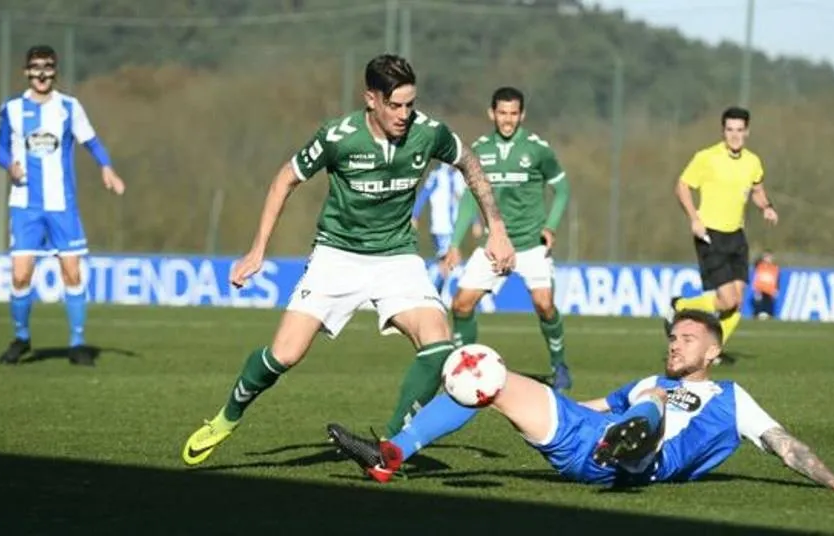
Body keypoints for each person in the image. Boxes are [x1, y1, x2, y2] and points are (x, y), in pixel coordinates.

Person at [180, 54, 516, 466]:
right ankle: (226, 418)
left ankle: (387, 450)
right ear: (370, 99)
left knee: (437, 343)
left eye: (410, 104)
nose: (405, 114)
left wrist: (496, 229)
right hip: (336, 256)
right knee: (284, 354)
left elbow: (470, 164)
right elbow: (285, 178)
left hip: (397, 257)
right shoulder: (339, 136)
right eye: (395, 105)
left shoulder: (428, 133)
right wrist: (257, 249)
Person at [327, 310, 834, 496]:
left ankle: (629, 444)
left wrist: (833, 481)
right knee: (484, 370)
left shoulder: (732, 401)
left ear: (713, 351)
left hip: (648, 460)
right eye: (672, 337)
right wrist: (541, 408)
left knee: (649, 399)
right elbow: (590, 404)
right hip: (588, 436)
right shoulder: (648, 379)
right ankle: (390, 455)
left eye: (686, 339)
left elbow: (783, 445)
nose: (675, 343)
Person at [0, 44, 126, 367]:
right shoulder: (11, 109)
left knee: (71, 271)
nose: (42, 72)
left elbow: (91, 141)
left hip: (62, 206)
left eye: (48, 66)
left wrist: (106, 167)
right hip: (25, 206)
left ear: (55, 71)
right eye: (36, 66)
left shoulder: (69, 107)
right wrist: (8, 164)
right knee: (21, 275)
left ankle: (78, 343)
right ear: (27, 72)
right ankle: (21, 337)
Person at [442, 86, 572, 389]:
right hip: (494, 245)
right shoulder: (480, 149)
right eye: (502, 113)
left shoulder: (537, 149)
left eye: (514, 113)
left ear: (522, 115)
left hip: (530, 245)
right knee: (461, 305)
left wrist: (550, 227)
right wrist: (454, 243)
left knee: (544, 305)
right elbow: (468, 200)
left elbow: (562, 189)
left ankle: (559, 366)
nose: (508, 119)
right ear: (492, 113)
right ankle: (464, 363)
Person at [665, 106, 778, 346]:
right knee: (727, 300)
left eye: (739, 130)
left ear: (747, 131)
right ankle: (680, 305)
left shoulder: (752, 162)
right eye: (729, 130)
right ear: (723, 131)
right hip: (710, 234)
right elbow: (682, 186)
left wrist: (766, 206)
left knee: (738, 301)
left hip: (737, 235)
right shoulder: (707, 157)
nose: (734, 135)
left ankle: (713, 349)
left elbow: (757, 190)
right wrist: (694, 218)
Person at [410, 162, 467, 291]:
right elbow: (424, 194)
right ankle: (431, 293)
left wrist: (475, 221)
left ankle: (433, 293)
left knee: (448, 262)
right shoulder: (437, 175)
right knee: (450, 261)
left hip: (455, 229)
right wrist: (415, 215)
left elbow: (466, 201)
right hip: (441, 227)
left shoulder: (459, 176)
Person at [751, 250, 780, 319]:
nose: (768, 259)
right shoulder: (759, 265)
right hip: (760, 289)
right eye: (766, 257)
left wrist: (777, 289)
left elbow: (777, 279)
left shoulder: (775, 267)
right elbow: (755, 262)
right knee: (758, 305)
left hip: (770, 290)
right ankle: (756, 316)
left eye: (769, 257)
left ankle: (769, 317)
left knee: (769, 305)